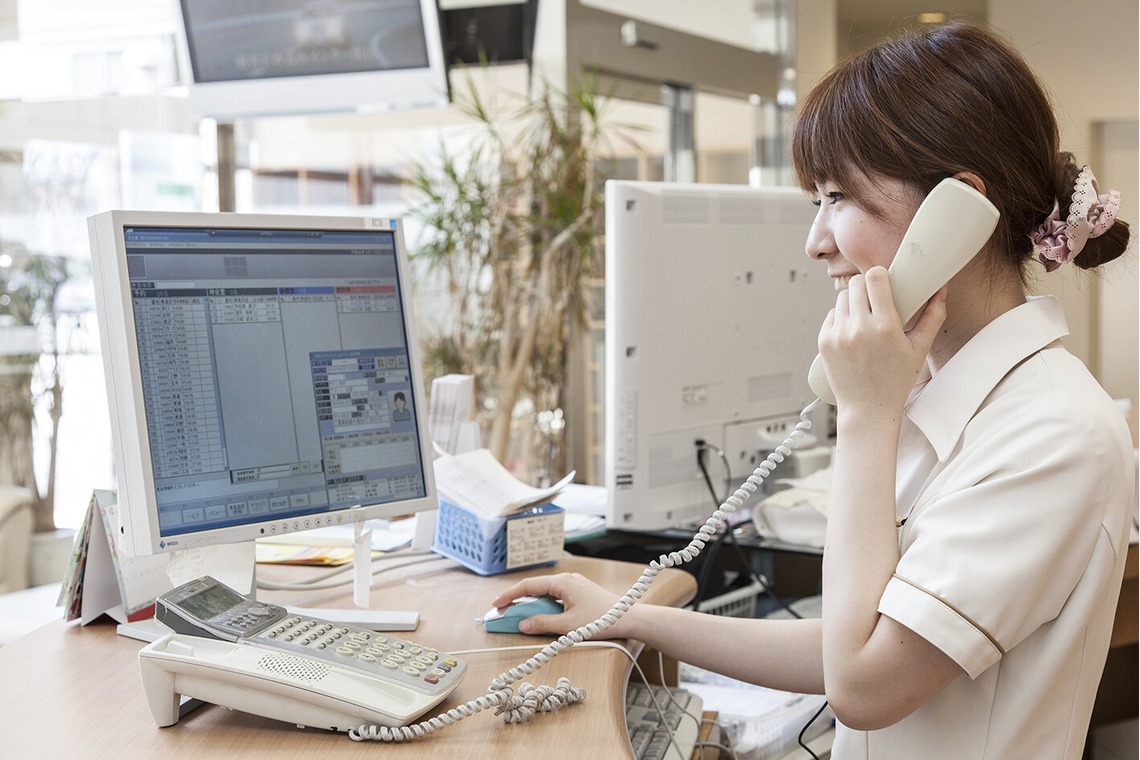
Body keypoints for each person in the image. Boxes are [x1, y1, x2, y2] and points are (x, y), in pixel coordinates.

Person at [490, 21, 1134, 759]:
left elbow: (860, 684)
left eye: (838, 196)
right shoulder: (952, 399)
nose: (815, 239)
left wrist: (865, 414)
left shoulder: (1052, 435)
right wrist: (631, 617)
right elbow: (855, 644)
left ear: (955, 211)